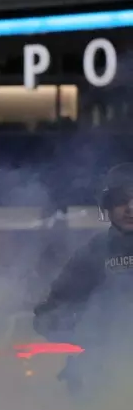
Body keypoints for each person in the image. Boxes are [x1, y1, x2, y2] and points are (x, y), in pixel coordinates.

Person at [34, 163, 133, 396]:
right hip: (104, 376)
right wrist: (84, 338)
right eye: (121, 200)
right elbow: (49, 312)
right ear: (107, 206)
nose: (131, 208)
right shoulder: (94, 253)